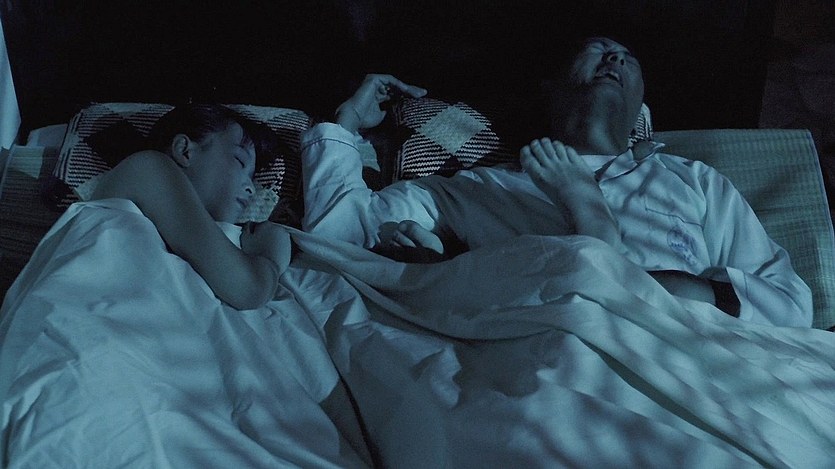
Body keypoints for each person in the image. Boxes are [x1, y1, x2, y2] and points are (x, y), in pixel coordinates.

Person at [299, 38, 813, 327]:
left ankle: (598, 261)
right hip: (553, 351)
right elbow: (338, 239)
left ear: (640, 106)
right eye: (597, 49)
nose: (616, 58)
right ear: (550, 89)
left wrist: (671, 292)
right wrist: (344, 125)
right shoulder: (478, 188)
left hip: (686, 351)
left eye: (629, 58)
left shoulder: (694, 181)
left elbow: (789, 306)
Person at [91, 104, 292, 310]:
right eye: (239, 161)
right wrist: (271, 258)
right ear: (185, 151)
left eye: (252, 176)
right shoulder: (147, 168)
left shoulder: (214, 251)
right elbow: (250, 289)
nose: (251, 188)